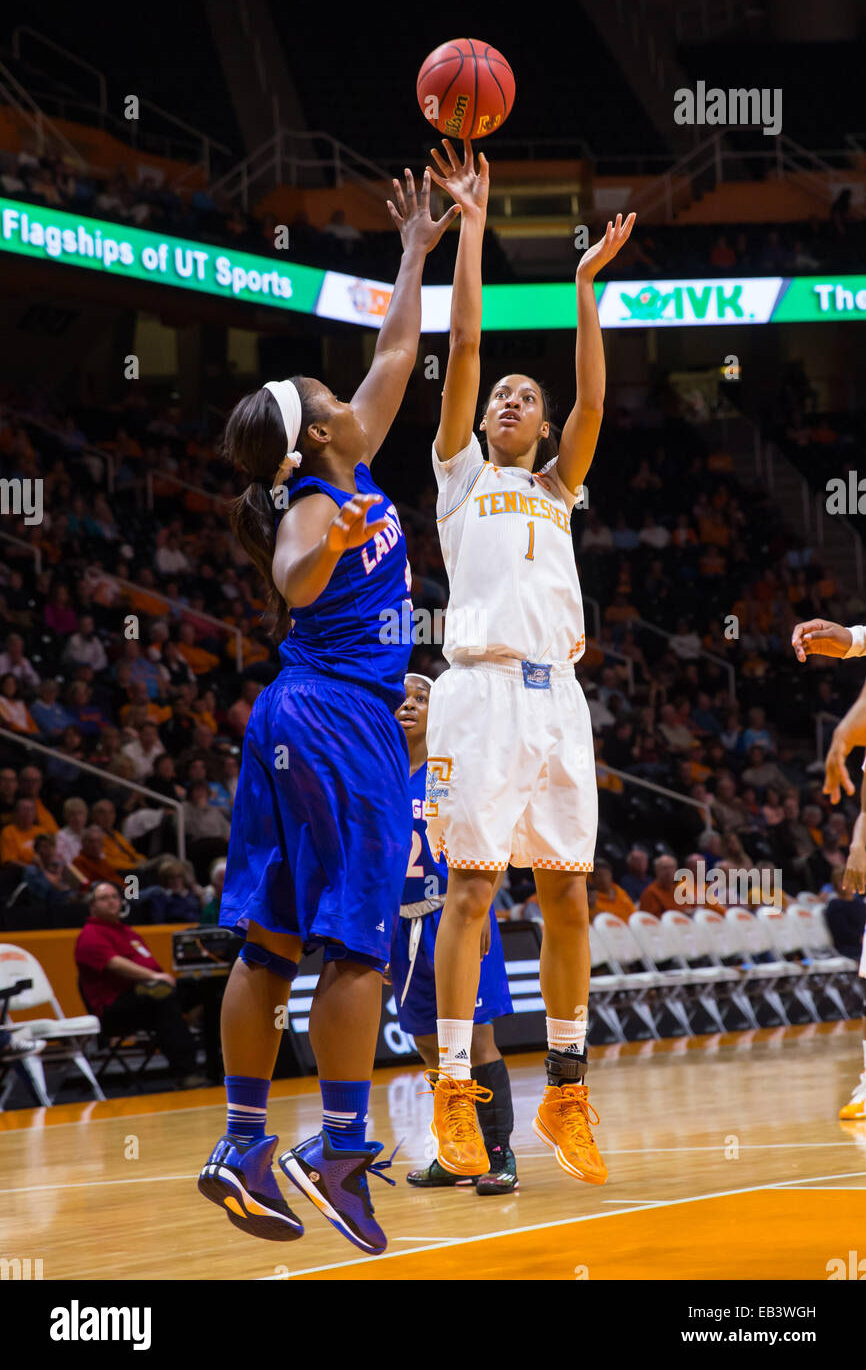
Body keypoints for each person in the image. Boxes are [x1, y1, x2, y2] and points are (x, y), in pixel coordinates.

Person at [196, 167, 459, 1255]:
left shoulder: (344, 456)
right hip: (336, 722)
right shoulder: (317, 496)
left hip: (298, 715)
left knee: (267, 945)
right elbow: (295, 570)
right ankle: (338, 1149)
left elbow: (397, 352)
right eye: (324, 393)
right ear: (312, 439)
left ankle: (242, 1143)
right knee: (354, 946)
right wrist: (319, 538)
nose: (346, 391)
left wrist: (412, 253)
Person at [420, 137, 634, 1185]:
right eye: (497, 394)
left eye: (521, 395)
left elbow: (595, 405)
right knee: (469, 892)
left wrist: (584, 288)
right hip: (479, 692)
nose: (504, 398)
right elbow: (460, 345)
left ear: (543, 428)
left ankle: (564, 1088)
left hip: (560, 701)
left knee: (566, 897)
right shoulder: (459, 474)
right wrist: (471, 224)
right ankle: (454, 1091)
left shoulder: (553, 488)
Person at [391, 673, 517, 1194]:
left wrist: (481, 908)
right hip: (399, 923)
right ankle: (454, 1150)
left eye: (423, 698)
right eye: (402, 696)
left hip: (454, 915)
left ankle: (498, 1154)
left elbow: (487, 836)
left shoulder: (443, 772)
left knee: (475, 1039)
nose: (410, 704)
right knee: (426, 1042)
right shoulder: (378, 772)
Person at [74, 880, 207, 1088]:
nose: (111, 902)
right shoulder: (90, 935)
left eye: (114, 897)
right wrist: (153, 978)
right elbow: (115, 965)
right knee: (162, 999)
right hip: (114, 1008)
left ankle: (218, 1064)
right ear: (92, 906)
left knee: (205, 988)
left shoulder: (128, 932)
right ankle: (186, 1073)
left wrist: (159, 979)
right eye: (103, 898)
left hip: (146, 994)